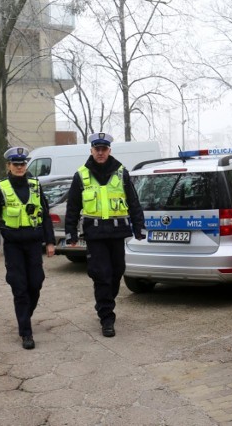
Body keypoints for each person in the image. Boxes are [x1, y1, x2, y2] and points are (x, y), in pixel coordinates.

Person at [64, 133, 146, 337]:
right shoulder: (81, 174)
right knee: (102, 275)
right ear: (91, 150)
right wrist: (70, 233)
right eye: (97, 149)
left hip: (117, 232)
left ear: (109, 150)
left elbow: (133, 202)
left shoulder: (121, 173)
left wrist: (139, 227)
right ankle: (107, 318)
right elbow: (73, 207)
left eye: (104, 149)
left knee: (117, 271)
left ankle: (105, 301)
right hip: (95, 234)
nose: (100, 153)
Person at [0, 146, 56, 350]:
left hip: (34, 244)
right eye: (16, 164)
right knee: (20, 288)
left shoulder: (35, 185)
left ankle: (24, 315)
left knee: (36, 283)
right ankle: (26, 331)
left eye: (23, 163)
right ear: (8, 166)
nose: (20, 167)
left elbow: (45, 215)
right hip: (14, 245)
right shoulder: (0, 188)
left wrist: (50, 242)